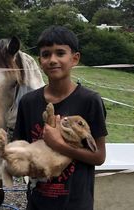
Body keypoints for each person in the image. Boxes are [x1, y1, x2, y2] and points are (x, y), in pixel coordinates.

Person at [13, 25, 108, 210]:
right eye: (46, 54)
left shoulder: (90, 101)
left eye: (60, 53)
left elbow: (99, 156)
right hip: (37, 202)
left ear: (75, 58)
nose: (53, 60)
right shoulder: (28, 102)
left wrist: (59, 145)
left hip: (76, 204)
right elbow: (20, 146)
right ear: (40, 61)